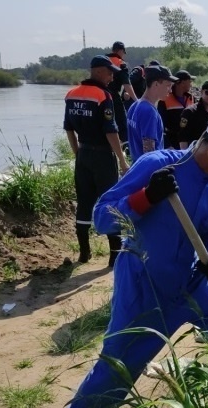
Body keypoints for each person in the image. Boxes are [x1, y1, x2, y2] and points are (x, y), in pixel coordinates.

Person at [48, 115, 208, 408]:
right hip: (145, 284)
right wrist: (146, 197)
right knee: (118, 366)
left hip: (192, 282)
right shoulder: (157, 166)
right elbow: (102, 217)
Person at [63, 55, 130, 267]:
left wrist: (77, 153)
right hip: (103, 157)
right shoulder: (103, 95)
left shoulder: (71, 94)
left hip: (83, 155)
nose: (111, 77)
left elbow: (68, 128)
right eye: (109, 73)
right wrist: (122, 160)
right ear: (98, 71)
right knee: (109, 201)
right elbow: (111, 131)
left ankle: (84, 253)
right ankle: (115, 255)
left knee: (84, 202)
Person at [126, 65, 178, 163]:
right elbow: (149, 154)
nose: (170, 90)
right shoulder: (149, 111)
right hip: (149, 170)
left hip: (136, 166)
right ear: (156, 84)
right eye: (168, 85)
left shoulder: (134, 105)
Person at [107, 41, 137, 144]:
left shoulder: (103, 60)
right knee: (122, 123)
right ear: (120, 51)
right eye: (123, 52)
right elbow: (127, 84)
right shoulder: (120, 63)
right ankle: (125, 147)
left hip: (99, 96)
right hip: (113, 96)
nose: (123, 55)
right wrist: (136, 100)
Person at [178, 80, 208, 148]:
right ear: (202, 92)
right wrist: (185, 153)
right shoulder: (190, 112)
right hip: (196, 151)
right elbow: (182, 137)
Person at [158, 70, 195, 148]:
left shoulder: (191, 98)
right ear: (182, 83)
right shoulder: (165, 100)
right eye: (189, 81)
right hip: (172, 143)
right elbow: (160, 126)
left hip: (188, 143)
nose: (191, 84)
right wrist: (168, 145)